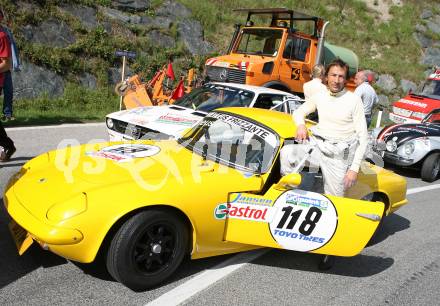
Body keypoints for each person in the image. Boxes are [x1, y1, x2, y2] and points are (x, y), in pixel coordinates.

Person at [281, 58, 368, 270]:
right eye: (333, 75)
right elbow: (299, 112)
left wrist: (354, 169)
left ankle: (330, 250)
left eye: (341, 76)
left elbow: (364, 137)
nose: (337, 80)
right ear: (326, 77)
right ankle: (294, 201)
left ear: (345, 79)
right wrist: (300, 125)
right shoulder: (319, 95)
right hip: (317, 147)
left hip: (339, 155)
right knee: (288, 153)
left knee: (335, 199)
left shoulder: (354, 100)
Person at [0, 8, 18, 121]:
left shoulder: (4, 33)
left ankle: (7, 114)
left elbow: (12, 48)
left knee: (8, 91)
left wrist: (15, 63)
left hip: (4, 67)